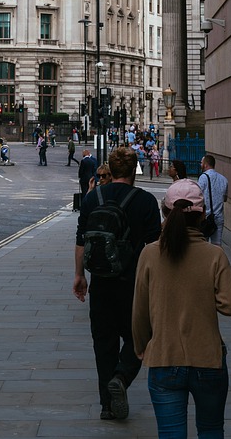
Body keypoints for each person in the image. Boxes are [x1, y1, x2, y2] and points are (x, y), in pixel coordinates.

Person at [133, 179, 231, 438]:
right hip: (208, 359)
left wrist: (141, 348)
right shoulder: (214, 255)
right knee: (211, 430)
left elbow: (139, 311)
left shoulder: (150, 254)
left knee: (171, 434)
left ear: (165, 213)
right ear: (202, 215)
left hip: (164, 358)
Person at [73, 146, 162, 421]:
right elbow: (155, 246)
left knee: (103, 343)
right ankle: (122, 378)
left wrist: (79, 276)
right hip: (133, 284)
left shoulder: (92, 198)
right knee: (139, 337)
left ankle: (107, 406)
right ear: (135, 169)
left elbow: (81, 240)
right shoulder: (146, 201)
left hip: (101, 282)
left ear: (110, 169)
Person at [197, 155, 228, 246]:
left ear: (206, 165)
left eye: (202, 163)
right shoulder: (224, 179)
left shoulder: (203, 177)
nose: (200, 164)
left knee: (203, 244)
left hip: (206, 217)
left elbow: (199, 195)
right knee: (217, 245)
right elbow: (225, 198)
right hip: (218, 217)